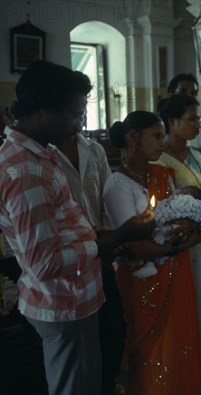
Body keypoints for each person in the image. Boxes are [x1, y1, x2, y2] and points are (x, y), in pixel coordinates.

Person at [0, 60, 149, 395]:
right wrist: (112, 240)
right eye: (73, 114)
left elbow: (61, 228)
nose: (79, 122)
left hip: (75, 296)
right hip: (64, 303)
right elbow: (44, 263)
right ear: (44, 110)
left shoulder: (38, 155)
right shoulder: (25, 171)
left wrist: (100, 236)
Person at [103, 111, 201, 394]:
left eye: (162, 136)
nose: (162, 143)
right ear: (133, 138)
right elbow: (135, 243)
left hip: (176, 271)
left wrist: (188, 227)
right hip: (143, 282)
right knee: (150, 355)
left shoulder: (163, 174)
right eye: (156, 136)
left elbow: (179, 215)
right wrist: (179, 244)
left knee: (179, 343)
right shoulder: (117, 185)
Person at [50, 131, 124, 395]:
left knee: (113, 332)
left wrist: (109, 243)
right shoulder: (42, 154)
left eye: (82, 111)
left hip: (100, 255)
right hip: (66, 264)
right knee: (76, 352)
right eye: (74, 110)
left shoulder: (93, 150)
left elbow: (106, 200)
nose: (79, 117)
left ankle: (107, 385)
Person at [156, 93, 201, 392]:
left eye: (198, 117)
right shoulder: (158, 160)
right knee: (185, 309)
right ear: (172, 121)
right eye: (191, 118)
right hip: (180, 248)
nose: (198, 123)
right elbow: (159, 210)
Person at [133, 185, 201, 278]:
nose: (181, 193)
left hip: (173, 236)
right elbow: (165, 204)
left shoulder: (189, 202)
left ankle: (149, 263)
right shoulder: (172, 199)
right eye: (182, 191)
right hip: (159, 229)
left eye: (185, 192)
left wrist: (193, 221)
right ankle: (148, 263)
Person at [159, 73, 201, 153]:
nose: (189, 96)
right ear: (171, 94)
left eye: (193, 93)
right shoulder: (158, 126)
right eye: (183, 91)